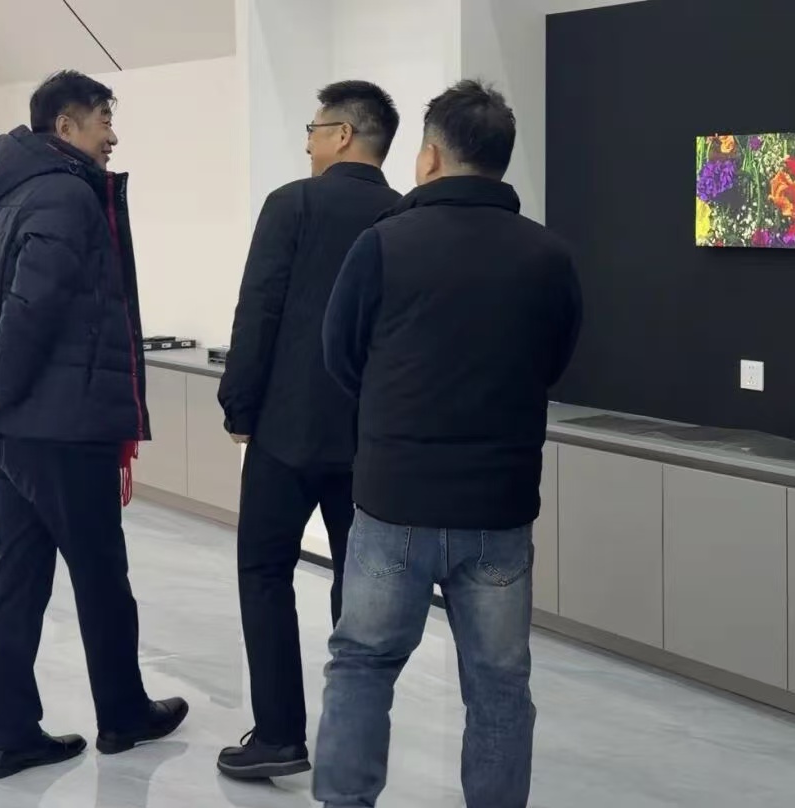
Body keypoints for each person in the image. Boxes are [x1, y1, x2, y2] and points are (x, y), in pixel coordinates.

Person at [313, 80, 583, 807]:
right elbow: (554, 361)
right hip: (498, 509)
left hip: (393, 499)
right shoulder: (548, 257)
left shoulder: (383, 244)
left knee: (362, 666)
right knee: (499, 685)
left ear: (430, 156)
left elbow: (340, 355)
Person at [0, 70, 188, 781]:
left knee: (15, 581)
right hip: (63, 425)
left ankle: (9, 735)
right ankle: (124, 715)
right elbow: (34, 305)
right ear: (67, 125)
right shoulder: (67, 193)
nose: (112, 136)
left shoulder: (4, 200)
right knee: (101, 575)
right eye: (104, 119)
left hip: (14, 433)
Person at [216, 80, 402, 781]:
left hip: (286, 432)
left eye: (314, 129)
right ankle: (349, 740)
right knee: (360, 591)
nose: (307, 143)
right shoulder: (405, 216)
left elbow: (259, 309)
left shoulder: (292, 203)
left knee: (265, 572)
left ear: (343, 134)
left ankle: (278, 735)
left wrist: (239, 407)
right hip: (371, 441)